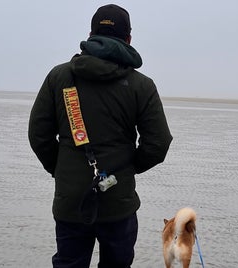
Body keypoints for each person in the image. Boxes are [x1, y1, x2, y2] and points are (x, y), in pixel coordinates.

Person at [28, 4, 172, 268]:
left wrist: (61, 169)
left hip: (71, 200)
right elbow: (159, 143)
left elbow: (38, 135)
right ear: (128, 39)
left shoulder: (59, 77)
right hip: (118, 200)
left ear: (91, 34)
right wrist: (129, 168)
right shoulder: (142, 85)